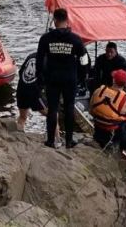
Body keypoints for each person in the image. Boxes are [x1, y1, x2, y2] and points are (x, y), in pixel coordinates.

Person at [36, 8, 88, 149]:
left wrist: (40, 78)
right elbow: (84, 60)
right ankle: (69, 141)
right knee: (69, 107)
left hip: (52, 78)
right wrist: (82, 77)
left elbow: (39, 61)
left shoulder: (46, 38)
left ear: (55, 20)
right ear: (67, 20)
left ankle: (51, 140)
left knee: (53, 109)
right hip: (70, 78)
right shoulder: (76, 39)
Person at [16, 52, 61, 146]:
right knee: (53, 115)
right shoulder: (49, 61)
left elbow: (21, 72)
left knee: (22, 117)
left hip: (21, 90)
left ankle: (18, 139)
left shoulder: (31, 56)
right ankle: (56, 140)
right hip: (34, 93)